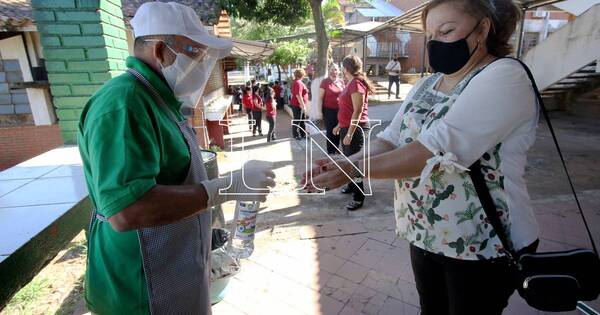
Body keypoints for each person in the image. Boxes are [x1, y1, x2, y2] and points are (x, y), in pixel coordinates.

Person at [304, 0, 539, 314]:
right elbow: (391, 138)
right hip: (427, 233)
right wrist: (346, 162)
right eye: (430, 35)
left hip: (483, 241)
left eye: (446, 31)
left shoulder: (505, 77)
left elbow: (433, 150)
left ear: (482, 28)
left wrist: (354, 170)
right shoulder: (430, 82)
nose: (435, 44)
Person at [78, 3, 277, 315]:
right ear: (161, 50)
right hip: (142, 285)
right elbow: (127, 210)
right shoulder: (124, 104)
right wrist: (224, 188)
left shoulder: (159, 99)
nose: (200, 63)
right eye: (194, 53)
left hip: (172, 264)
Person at [330, 55, 373, 211]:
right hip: (347, 127)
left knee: (354, 163)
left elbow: (358, 110)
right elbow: (346, 109)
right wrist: (338, 125)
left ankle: (359, 197)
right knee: (348, 159)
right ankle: (351, 185)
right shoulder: (351, 83)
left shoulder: (356, 84)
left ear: (345, 68)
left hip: (356, 129)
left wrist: (349, 133)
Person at [319, 63, 344, 154]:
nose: (334, 71)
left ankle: (336, 148)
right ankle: (330, 151)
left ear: (339, 71)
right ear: (329, 70)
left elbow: (344, 95)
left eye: (336, 69)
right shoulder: (325, 82)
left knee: (338, 129)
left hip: (340, 110)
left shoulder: (341, 81)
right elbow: (320, 98)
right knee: (330, 131)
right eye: (332, 69)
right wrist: (320, 112)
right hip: (328, 110)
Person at [290, 68, 309, 140]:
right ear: (302, 74)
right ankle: (296, 135)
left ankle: (303, 134)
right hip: (297, 105)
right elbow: (298, 95)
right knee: (297, 120)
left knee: (302, 120)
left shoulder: (297, 82)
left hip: (298, 105)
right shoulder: (298, 83)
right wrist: (303, 105)